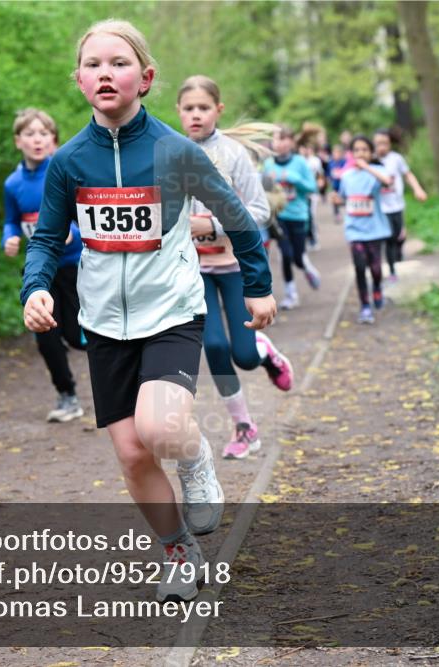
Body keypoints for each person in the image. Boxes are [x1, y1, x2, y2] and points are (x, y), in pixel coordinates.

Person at [19, 20, 276, 602]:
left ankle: (197, 458)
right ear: (79, 80)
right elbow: (46, 239)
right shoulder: (68, 162)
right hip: (104, 320)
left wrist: (257, 286)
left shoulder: (176, 151)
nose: (105, 73)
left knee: (161, 427)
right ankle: (180, 552)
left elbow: (236, 217)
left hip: (173, 310)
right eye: (93, 65)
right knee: (132, 453)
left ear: (146, 77)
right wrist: (35, 288)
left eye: (119, 63)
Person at [176, 75, 294, 461]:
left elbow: (260, 211)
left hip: (235, 265)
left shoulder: (232, 154)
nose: (196, 115)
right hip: (194, 270)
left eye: (203, 108)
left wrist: (211, 225)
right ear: (178, 112)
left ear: (218, 111)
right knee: (213, 346)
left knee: (242, 355)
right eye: (189, 108)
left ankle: (264, 351)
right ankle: (244, 427)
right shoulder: (168, 152)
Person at [2, 108, 86, 422]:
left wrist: (72, 232)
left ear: (53, 141)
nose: (37, 140)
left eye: (43, 134)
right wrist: (8, 239)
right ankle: (67, 396)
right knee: (45, 335)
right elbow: (11, 222)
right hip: (40, 271)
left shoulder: (64, 173)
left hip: (75, 265)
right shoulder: (13, 184)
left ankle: (125, 369)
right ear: (18, 141)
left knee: (79, 336)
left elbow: (84, 218)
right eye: (30, 134)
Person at [335, 136, 393, 324]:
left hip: (374, 230)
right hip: (355, 230)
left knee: (375, 269)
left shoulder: (377, 171)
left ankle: (377, 287)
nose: (361, 153)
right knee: (360, 268)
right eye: (357, 150)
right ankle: (365, 307)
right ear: (351, 153)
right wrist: (337, 200)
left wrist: (366, 167)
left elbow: (387, 182)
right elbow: (345, 198)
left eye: (365, 150)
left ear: (371, 152)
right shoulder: (346, 176)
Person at [262, 125, 319, 310]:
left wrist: (294, 179)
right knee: (285, 254)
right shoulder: (268, 164)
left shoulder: (300, 162)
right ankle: (291, 294)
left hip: (299, 216)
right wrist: (267, 182)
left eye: (284, 138)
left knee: (297, 257)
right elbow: (262, 189)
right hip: (279, 216)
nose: (279, 143)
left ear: (291, 142)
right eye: (277, 139)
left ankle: (306, 267)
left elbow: (312, 188)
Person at [373, 129, 427, 282]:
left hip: (397, 205)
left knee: (399, 237)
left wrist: (418, 189)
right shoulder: (371, 161)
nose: (381, 147)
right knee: (389, 239)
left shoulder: (396, 159)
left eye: (384, 143)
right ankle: (392, 271)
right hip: (381, 208)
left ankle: (398, 256)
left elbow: (408, 174)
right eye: (378, 144)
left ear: (390, 144)